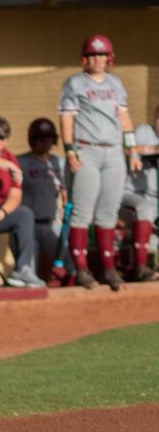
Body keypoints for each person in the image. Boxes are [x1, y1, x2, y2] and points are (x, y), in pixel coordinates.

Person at [58, 34, 142, 291]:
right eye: (93, 55)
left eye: (102, 55)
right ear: (85, 58)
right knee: (83, 210)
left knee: (108, 211)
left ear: (109, 58)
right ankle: (82, 269)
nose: (97, 59)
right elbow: (67, 119)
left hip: (114, 151)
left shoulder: (116, 83)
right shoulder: (74, 83)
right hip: (87, 149)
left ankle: (108, 268)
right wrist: (70, 150)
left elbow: (124, 116)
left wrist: (133, 149)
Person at [0, 115, 40, 288]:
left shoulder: (10, 158)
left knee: (24, 214)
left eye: (0, 136)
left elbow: (15, 196)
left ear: (6, 140)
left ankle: (23, 269)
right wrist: (7, 166)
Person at [17, 118, 69, 286]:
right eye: (40, 138)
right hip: (28, 227)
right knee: (29, 273)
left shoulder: (56, 162)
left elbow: (64, 189)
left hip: (50, 225)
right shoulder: (21, 162)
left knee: (70, 263)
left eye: (48, 138)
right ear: (32, 139)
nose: (45, 142)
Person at [119, 102, 158, 281]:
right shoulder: (145, 131)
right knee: (145, 208)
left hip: (154, 202)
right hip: (131, 195)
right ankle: (140, 267)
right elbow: (129, 149)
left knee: (154, 243)